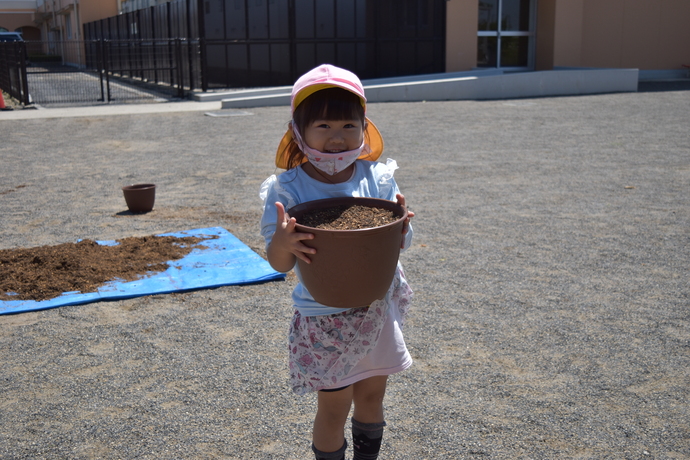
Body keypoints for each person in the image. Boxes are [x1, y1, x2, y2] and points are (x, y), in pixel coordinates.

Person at [259, 64, 415, 460]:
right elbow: (278, 263)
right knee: (333, 408)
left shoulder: (377, 179)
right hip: (325, 316)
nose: (336, 138)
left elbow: (401, 243)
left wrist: (401, 225)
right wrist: (282, 240)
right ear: (298, 130)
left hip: (376, 309)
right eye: (323, 126)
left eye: (348, 125)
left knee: (372, 394)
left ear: (365, 127)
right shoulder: (288, 189)